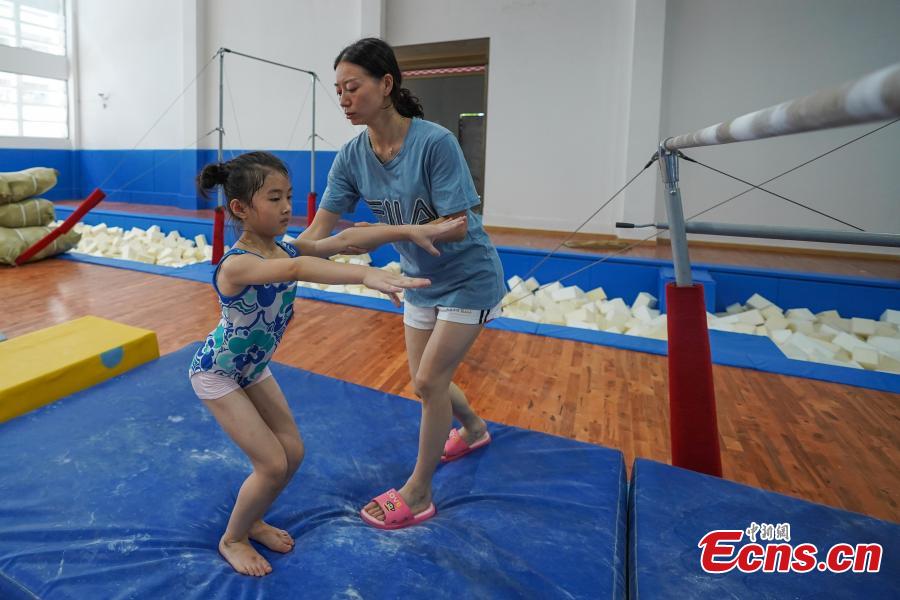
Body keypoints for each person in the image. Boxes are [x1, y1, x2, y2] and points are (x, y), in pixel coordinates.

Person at [189, 151, 464, 575]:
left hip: (253, 367)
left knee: (293, 453)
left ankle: (254, 519)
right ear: (240, 209)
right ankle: (234, 537)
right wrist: (364, 277)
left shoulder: (281, 244)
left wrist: (413, 230)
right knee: (272, 463)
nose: (287, 208)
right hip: (218, 372)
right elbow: (299, 266)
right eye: (275, 198)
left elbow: (343, 242)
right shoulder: (239, 263)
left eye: (289, 197)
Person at [300, 38, 505, 530]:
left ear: (386, 84)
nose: (344, 99)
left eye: (353, 87)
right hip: (418, 280)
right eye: (339, 91)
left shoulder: (433, 142)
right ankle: (474, 429)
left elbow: (457, 222)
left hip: (468, 277)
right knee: (425, 383)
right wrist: (265, 252)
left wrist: (380, 234)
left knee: (430, 380)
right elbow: (317, 235)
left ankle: (419, 491)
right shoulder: (352, 156)